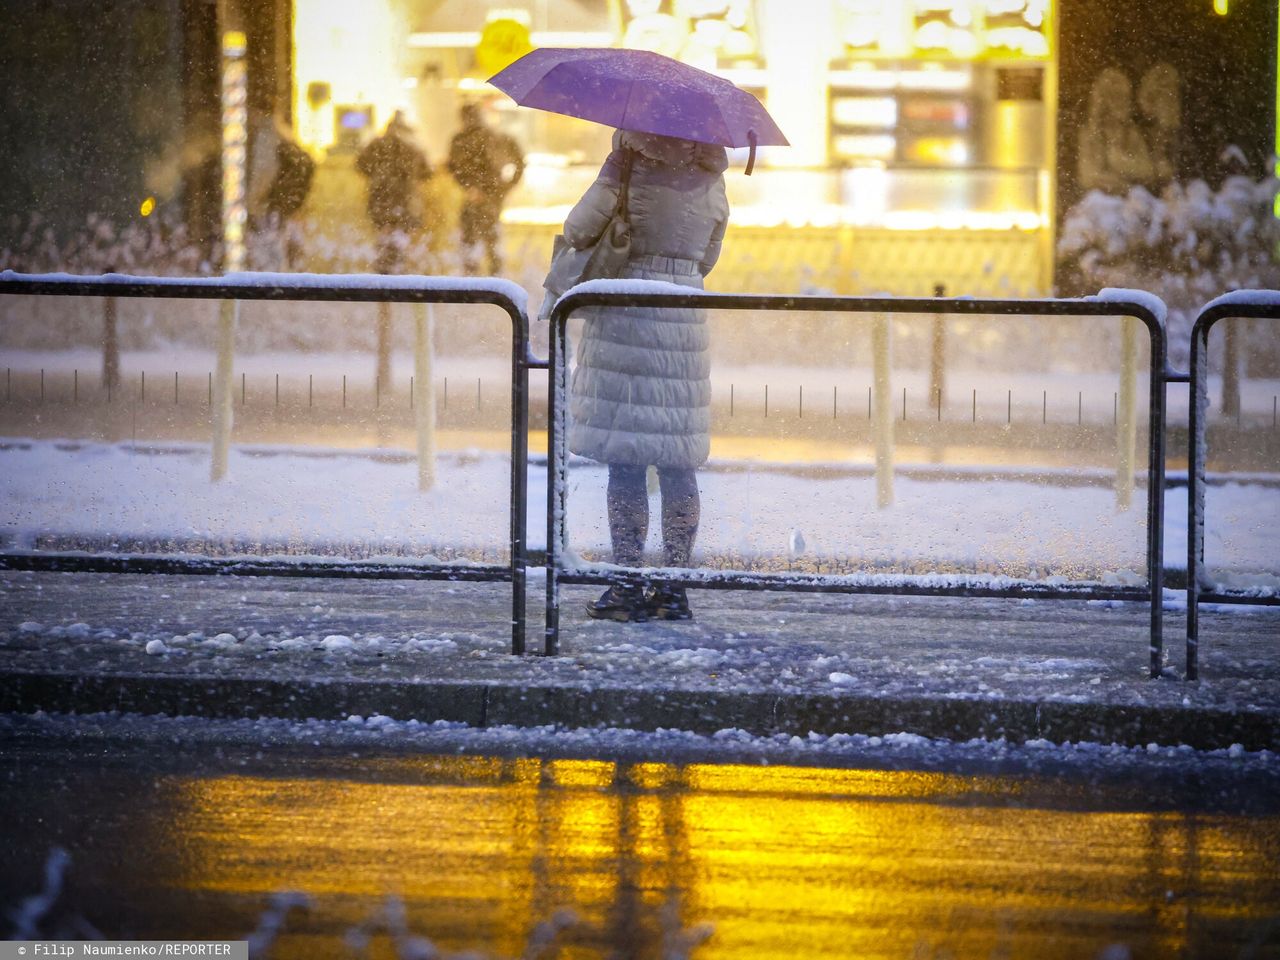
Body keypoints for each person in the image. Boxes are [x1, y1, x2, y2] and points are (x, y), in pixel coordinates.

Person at [547, 128, 729, 623]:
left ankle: (627, 585)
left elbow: (580, 226)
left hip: (628, 304)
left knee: (626, 461)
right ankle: (674, 588)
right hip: (683, 312)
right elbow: (709, 255)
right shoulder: (713, 175)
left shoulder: (628, 164)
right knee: (676, 461)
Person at [447, 103, 524, 275]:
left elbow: (454, 168)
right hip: (493, 196)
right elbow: (519, 161)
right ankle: (495, 283)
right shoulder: (498, 137)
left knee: (470, 240)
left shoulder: (461, 139)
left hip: (477, 196)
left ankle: (472, 283)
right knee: (491, 240)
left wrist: (470, 188)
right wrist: (505, 187)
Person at [356, 111, 432, 273]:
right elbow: (428, 172)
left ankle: (384, 280)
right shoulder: (413, 147)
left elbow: (361, 165)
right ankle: (400, 279)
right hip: (406, 201)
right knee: (401, 241)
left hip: (380, 200)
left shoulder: (377, 144)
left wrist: (377, 176)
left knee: (384, 239)